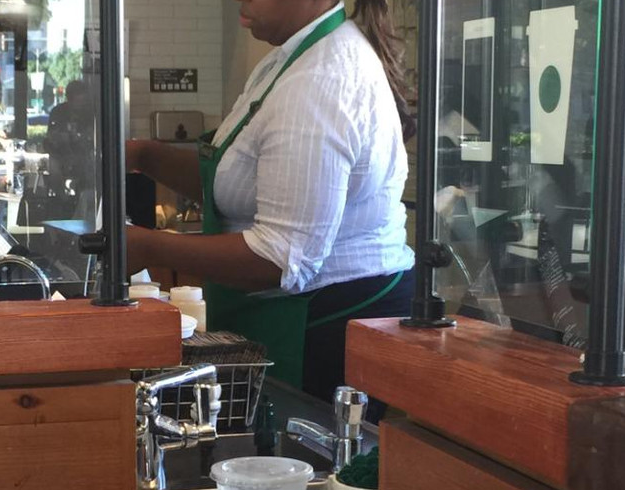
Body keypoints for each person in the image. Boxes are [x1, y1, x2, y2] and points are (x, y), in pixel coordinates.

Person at [126, 0, 415, 403]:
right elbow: (240, 183)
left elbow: (282, 256)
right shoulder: (287, 60)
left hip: (324, 329)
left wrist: (147, 246)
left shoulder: (319, 80)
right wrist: (143, 156)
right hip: (298, 315)